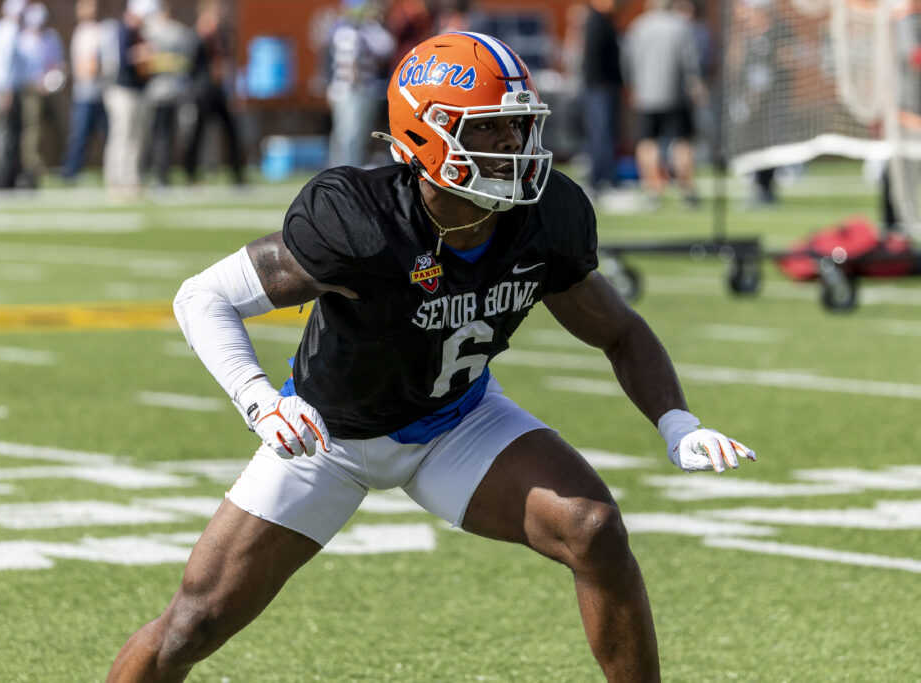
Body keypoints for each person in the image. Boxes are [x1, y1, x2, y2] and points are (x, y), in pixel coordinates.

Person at [106, 32, 755, 682]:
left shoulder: (546, 215)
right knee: (193, 623)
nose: (517, 149)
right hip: (330, 439)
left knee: (592, 529)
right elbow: (203, 296)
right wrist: (259, 398)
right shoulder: (359, 219)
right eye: (495, 131)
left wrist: (678, 421)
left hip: (458, 422)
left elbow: (618, 330)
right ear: (427, 137)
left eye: (521, 128)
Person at [622, 0, 706, 208]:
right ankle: (686, 191)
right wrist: (696, 86)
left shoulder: (638, 26)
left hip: (647, 95)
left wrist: (633, 86)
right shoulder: (680, 26)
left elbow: (627, 61)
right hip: (676, 94)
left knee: (647, 141)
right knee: (682, 141)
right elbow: (690, 62)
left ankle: (653, 190)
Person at [324, 0, 394, 168]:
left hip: (356, 90)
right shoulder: (347, 31)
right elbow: (351, 63)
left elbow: (386, 46)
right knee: (349, 134)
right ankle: (346, 168)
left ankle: (347, 166)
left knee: (353, 134)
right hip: (352, 91)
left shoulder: (363, 29)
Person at [182, 0, 245, 185]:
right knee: (197, 134)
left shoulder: (222, 36)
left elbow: (227, 65)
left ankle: (237, 175)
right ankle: (190, 174)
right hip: (202, 92)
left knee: (232, 132)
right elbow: (191, 66)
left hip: (218, 92)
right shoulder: (197, 36)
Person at [140, 2, 196, 187]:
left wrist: (158, 62)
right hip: (169, 91)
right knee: (164, 136)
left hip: (162, 92)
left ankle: (162, 176)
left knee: (162, 136)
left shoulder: (155, 32)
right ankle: (162, 174)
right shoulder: (173, 31)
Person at [103, 0, 153, 197]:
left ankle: (132, 179)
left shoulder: (140, 32)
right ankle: (116, 180)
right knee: (122, 135)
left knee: (137, 138)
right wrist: (141, 54)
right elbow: (120, 60)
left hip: (137, 90)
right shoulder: (119, 30)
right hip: (120, 91)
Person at [18, 2, 66, 185]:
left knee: (57, 127)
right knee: (33, 129)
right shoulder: (23, 39)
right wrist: (36, 83)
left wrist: (55, 80)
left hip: (52, 89)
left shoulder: (52, 37)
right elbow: (22, 68)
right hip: (32, 90)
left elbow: (59, 63)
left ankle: (60, 165)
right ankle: (34, 167)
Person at [62, 0, 108, 182]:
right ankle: (70, 173)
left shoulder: (101, 29)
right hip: (85, 94)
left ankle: (113, 171)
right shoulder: (83, 31)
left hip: (102, 92)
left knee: (109, 135)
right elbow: (85, 67)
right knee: (79, 136)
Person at [580, 0, 623, 196]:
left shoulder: (603, 20)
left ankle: (604, 176)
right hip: (599, 88)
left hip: (602, 87)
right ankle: (601, 178)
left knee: (604, 133)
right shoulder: (596, 21)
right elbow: (594, 58)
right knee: (601, 134)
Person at [0, 0, 28, 189]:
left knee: (9, 133)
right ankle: (0, 176)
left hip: (4, 88)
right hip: (3, 89)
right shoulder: (8, 30)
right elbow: (3, 64)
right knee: (3, 133)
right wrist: (5, 89)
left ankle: (7, 175)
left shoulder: (5, 29)